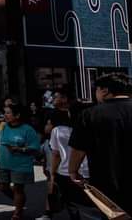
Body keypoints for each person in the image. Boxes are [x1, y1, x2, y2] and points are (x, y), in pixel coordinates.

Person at [69, 72, 132, 213]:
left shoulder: (90, 114)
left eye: (96, 90)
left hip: (106, 184)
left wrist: (73, 171)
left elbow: (78, 149)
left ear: (105, 91)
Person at [0, 101, 40, 220]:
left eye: (8, 113)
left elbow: (35, 148)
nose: (5, 115)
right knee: (3, 187)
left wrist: (20, 149)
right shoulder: (2, 126)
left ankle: (17, 212)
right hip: (3, 163)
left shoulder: (27, 130)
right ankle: (18, 200)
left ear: (17, 115)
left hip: (21, 165)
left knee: (18, 188)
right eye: (5, 113)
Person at [44, 87, 90, 220]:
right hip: (89, 172)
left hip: (65, 172)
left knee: (73, 205)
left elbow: (56, 154)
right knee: (92, 204)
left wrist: (52, 173)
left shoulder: (57, 131)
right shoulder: (93, 128)